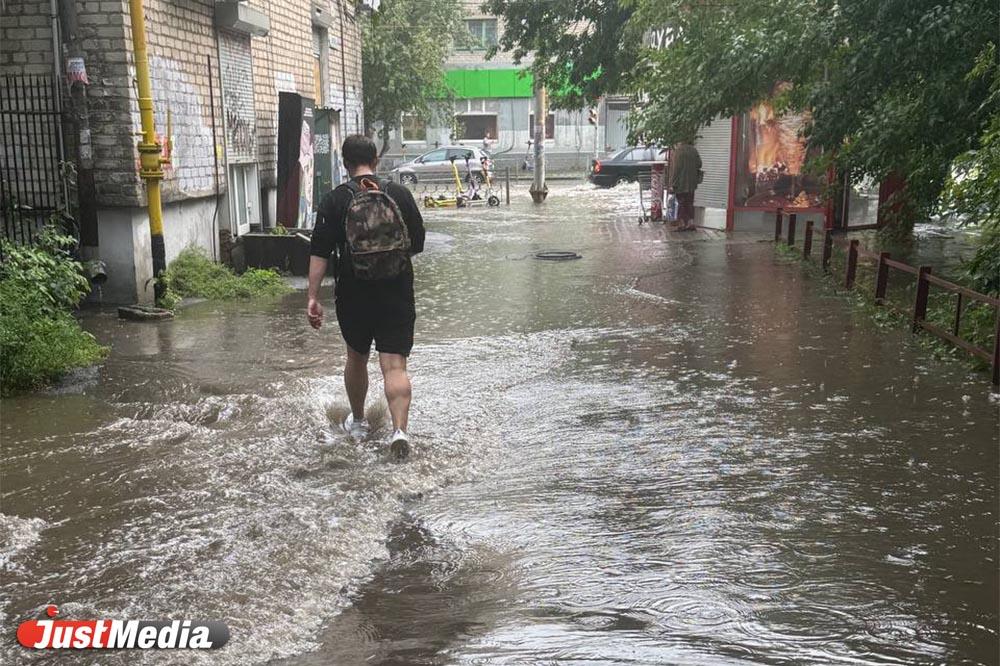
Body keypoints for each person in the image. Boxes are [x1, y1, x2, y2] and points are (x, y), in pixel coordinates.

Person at [307, 134, 426, 459]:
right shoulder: (398, 194)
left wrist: (313, 297)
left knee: (356, 358)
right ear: (375, 160)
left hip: (354, 292)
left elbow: (319, 252)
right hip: (396, 289)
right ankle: (400, 430)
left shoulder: (335, 200)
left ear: (345, 164)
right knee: (394, 366)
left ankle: (358, 421)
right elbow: (417, 242)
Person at [669, 139, 702, 231]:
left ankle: (682, 223)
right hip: (692, 182)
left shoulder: (678, 152)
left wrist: (672, 183)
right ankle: (691, 222)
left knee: (681, 203)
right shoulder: (693, 150)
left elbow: (676, 170)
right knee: (690, 202)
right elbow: (699, 164)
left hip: (680, 183)